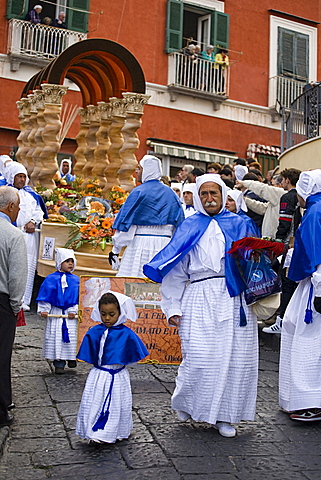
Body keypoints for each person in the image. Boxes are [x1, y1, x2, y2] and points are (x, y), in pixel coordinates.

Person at [143, 174, 258, 438]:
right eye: (203, 194)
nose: (209, 198)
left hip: (233, 297)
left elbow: (254, 262)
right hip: (199, 295)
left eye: (213, 193)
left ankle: (224, 416)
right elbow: (176, 270)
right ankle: (188, 402)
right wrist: (172, 306)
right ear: (197, 196)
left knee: (232, 360)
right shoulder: (189, 225)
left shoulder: (240, 223)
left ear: (223, 194)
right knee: (198, 358)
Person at [76, 291, 148, 443]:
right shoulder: (94, 332)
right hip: (99, 375)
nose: (107, 318)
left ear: (120, 313)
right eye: (103, 314)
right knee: (94, 401)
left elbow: (133, 355)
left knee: (117, 403)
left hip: (117, 376)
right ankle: (94, 431)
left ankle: (113, 432)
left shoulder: (127, 334)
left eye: (111, 314)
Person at [279, 170, 321, 421]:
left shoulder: (315, 213)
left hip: (314, 288)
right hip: (312, 285)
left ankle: (310, 401)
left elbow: (316, 257)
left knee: (307, 342)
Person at [108, 155, 184, 277]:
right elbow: (178, 227)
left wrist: (115, 250)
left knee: (135, 284)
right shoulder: (171, 194)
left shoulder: (139, 192)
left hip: (140, 245)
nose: (136, 171)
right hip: (165, 247)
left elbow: (128, 227)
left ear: (147, 170)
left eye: (139, 168)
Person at [0, 186, 28, 428]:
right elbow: (17, 278)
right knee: (1, 354)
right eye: (17, 206)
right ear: (9, 207)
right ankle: (1, 409)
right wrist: (15, 305)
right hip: (1, 302)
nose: (18, 210)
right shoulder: (13, 235)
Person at [263, 168, 301, 334]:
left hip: (289, 246)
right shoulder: (303, 197)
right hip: (300, 245)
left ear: (286, 180)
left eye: (283, 179)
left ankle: (282, 320)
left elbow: (285, 221)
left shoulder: (288, 197)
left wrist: (278, 241)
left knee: (286, 283)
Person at [6, 162, 48, 311]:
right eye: (19, 176)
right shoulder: (6, 192)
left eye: (24, 177)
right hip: (11, 232)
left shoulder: (31, 194)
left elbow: (39, 212)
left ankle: (25, 300)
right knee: (10, 265)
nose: (22, 180)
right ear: (12, 177)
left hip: (29, 236)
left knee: (28, 266)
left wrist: (32, 221)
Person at [36, 248, 79, 375]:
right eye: (67, 261)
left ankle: (72, 357)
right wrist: (44, 310)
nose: (70, 264)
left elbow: (79, 298)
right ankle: (58, 363)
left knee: (72, 336)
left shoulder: (76, 280)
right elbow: (45, 296)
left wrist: (74, 311)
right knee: (56, 338)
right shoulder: (50, 279)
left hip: (71, 313)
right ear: (60, 262)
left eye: (72, 261)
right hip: (56, 311)